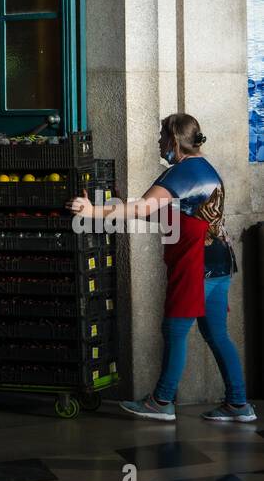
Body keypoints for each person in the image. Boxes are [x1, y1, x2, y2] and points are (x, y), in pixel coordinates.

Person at [68, 114, 255, 424]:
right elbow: (172, 216)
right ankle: (238, 404)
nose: (158, 142)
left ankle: (161, 401)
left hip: (195, 267)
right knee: (217, 334)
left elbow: (144, 207)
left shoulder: (182, 173)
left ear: (173, 139)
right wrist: (106, 210)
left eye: (161, 136)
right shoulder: (204, 169)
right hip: (219, 264)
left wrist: (92, 211)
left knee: (175, 331)